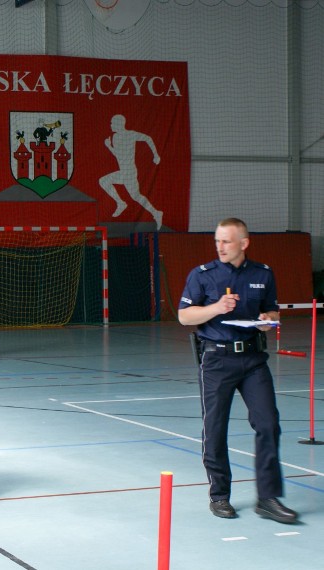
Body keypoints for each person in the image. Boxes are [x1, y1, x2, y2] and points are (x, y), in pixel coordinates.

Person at [178, 218, 297, 524]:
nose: (220, 246)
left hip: (254, 359)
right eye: (217, 240)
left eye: (226, 241)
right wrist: (216, 308)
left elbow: (272, 310)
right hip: (217, 361)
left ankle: (268, 499)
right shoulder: (202, 275)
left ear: (244, 243)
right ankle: (219, 496)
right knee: (215, 428)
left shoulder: (263, 273)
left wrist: (267, 320)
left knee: (268, 423)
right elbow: (184, 315)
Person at [98, 114, 163, 229]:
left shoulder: (131, 134)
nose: (111, 126)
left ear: (119, 124)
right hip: (123, 171)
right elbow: (119, 156)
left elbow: (148, 138)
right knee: (104, 181)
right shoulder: (116, 137)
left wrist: (156, 155)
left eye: (112, 123)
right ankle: (122, 203)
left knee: (136, 196)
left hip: (130, 172)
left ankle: (156, 212)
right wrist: (109, 146)